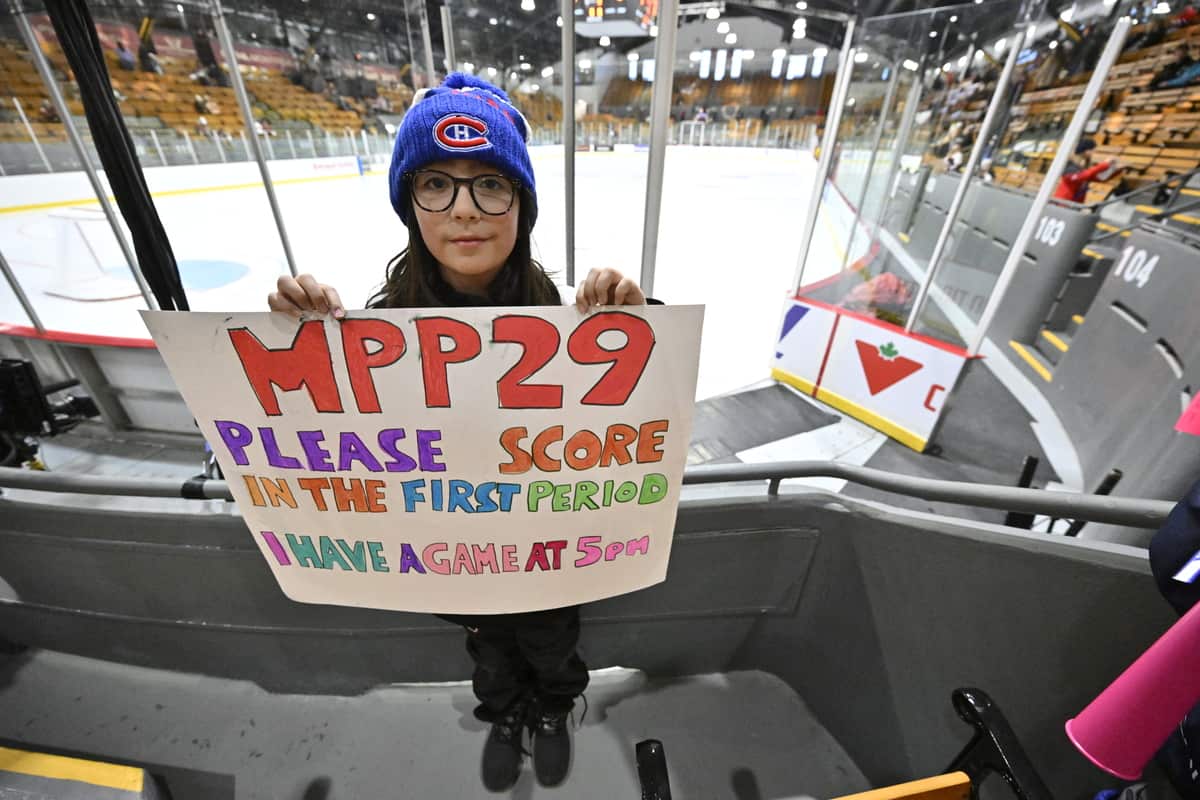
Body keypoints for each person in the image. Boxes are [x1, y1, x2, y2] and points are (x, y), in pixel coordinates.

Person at [265, 73, 650, 793]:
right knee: (490, 652)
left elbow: (635, 411)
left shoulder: (568, 317)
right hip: (456, 560)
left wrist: (633, 317)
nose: (465, 209)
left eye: (491, 184)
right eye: (437, 184)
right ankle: (504, 712)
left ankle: (553, 708)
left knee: (552, 642)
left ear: (521, 204)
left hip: (548, 555)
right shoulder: (371, 327)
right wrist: (298, 335)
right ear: (410, 204)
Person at [1054, 139, 1122, 202]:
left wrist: (1116, 170)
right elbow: (1080, 176)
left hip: (1075, 203)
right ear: (1086, 151)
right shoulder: (1069, 166)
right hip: (1062, 203)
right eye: (1092, 150)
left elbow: (1100, 178)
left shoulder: (1082, 167)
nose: (1093, 152)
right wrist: (1104, 164)